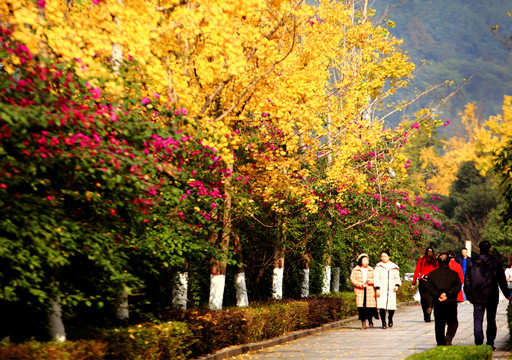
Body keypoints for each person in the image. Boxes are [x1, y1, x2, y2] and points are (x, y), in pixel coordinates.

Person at [464, 240, 512, 350]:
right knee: (491, 319)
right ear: (490, 250)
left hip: (477, 295)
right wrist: (507, 294)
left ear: (479, 249)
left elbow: (467, 280)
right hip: (492, 294)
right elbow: (502, 280)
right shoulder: (496, 262)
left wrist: (468, 295)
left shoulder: (471, 262)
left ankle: (478, 343)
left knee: (477, 319)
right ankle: (490, 343)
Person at [425, 253, 462, 346]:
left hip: (438, 302)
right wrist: (448, 295)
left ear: (438, 262)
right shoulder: (454, 274)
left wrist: (438, 295)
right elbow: (458, 287)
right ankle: (449, 336)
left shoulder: (432, 274)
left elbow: (429, 287)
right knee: (453, 322)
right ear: (449, 262)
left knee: (439, 323)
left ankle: (440, 342)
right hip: (451, 302)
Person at [350, 253, 379, 329]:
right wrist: (359, 284)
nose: (366, 262)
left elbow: (376, 279)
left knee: (370, 308)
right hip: (360, 290)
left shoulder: (371, 269)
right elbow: (352, 279)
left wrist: (371, 281)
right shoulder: (356, 270)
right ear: (360, 261)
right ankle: (363, 323)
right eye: (364, 260)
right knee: (361, 308)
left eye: (367, 260)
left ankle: (370, 320)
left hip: (370, 290)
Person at [374, 250, 401, 329]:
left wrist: (397, 285)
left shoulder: (394, 267)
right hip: (382, 288)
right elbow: (376, 278)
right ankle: (383, 323)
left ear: (389, 257)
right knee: (382, 306)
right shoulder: (378, 266)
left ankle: (390, 319)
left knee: (391, 306)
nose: (383, 258)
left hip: (391, 289)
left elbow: (397, 277)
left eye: (385, 256)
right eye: (382, 256)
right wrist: (377, 288)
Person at [411, 247, 438, 322]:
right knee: (432, 297)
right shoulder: (435, 260)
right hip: (432, 281)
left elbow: (417, 270)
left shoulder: (422, 259)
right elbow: (437, 270)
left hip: (422, 280)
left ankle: (426, 317)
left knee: (423, 298)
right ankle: (430, 306)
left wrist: (413, 282)